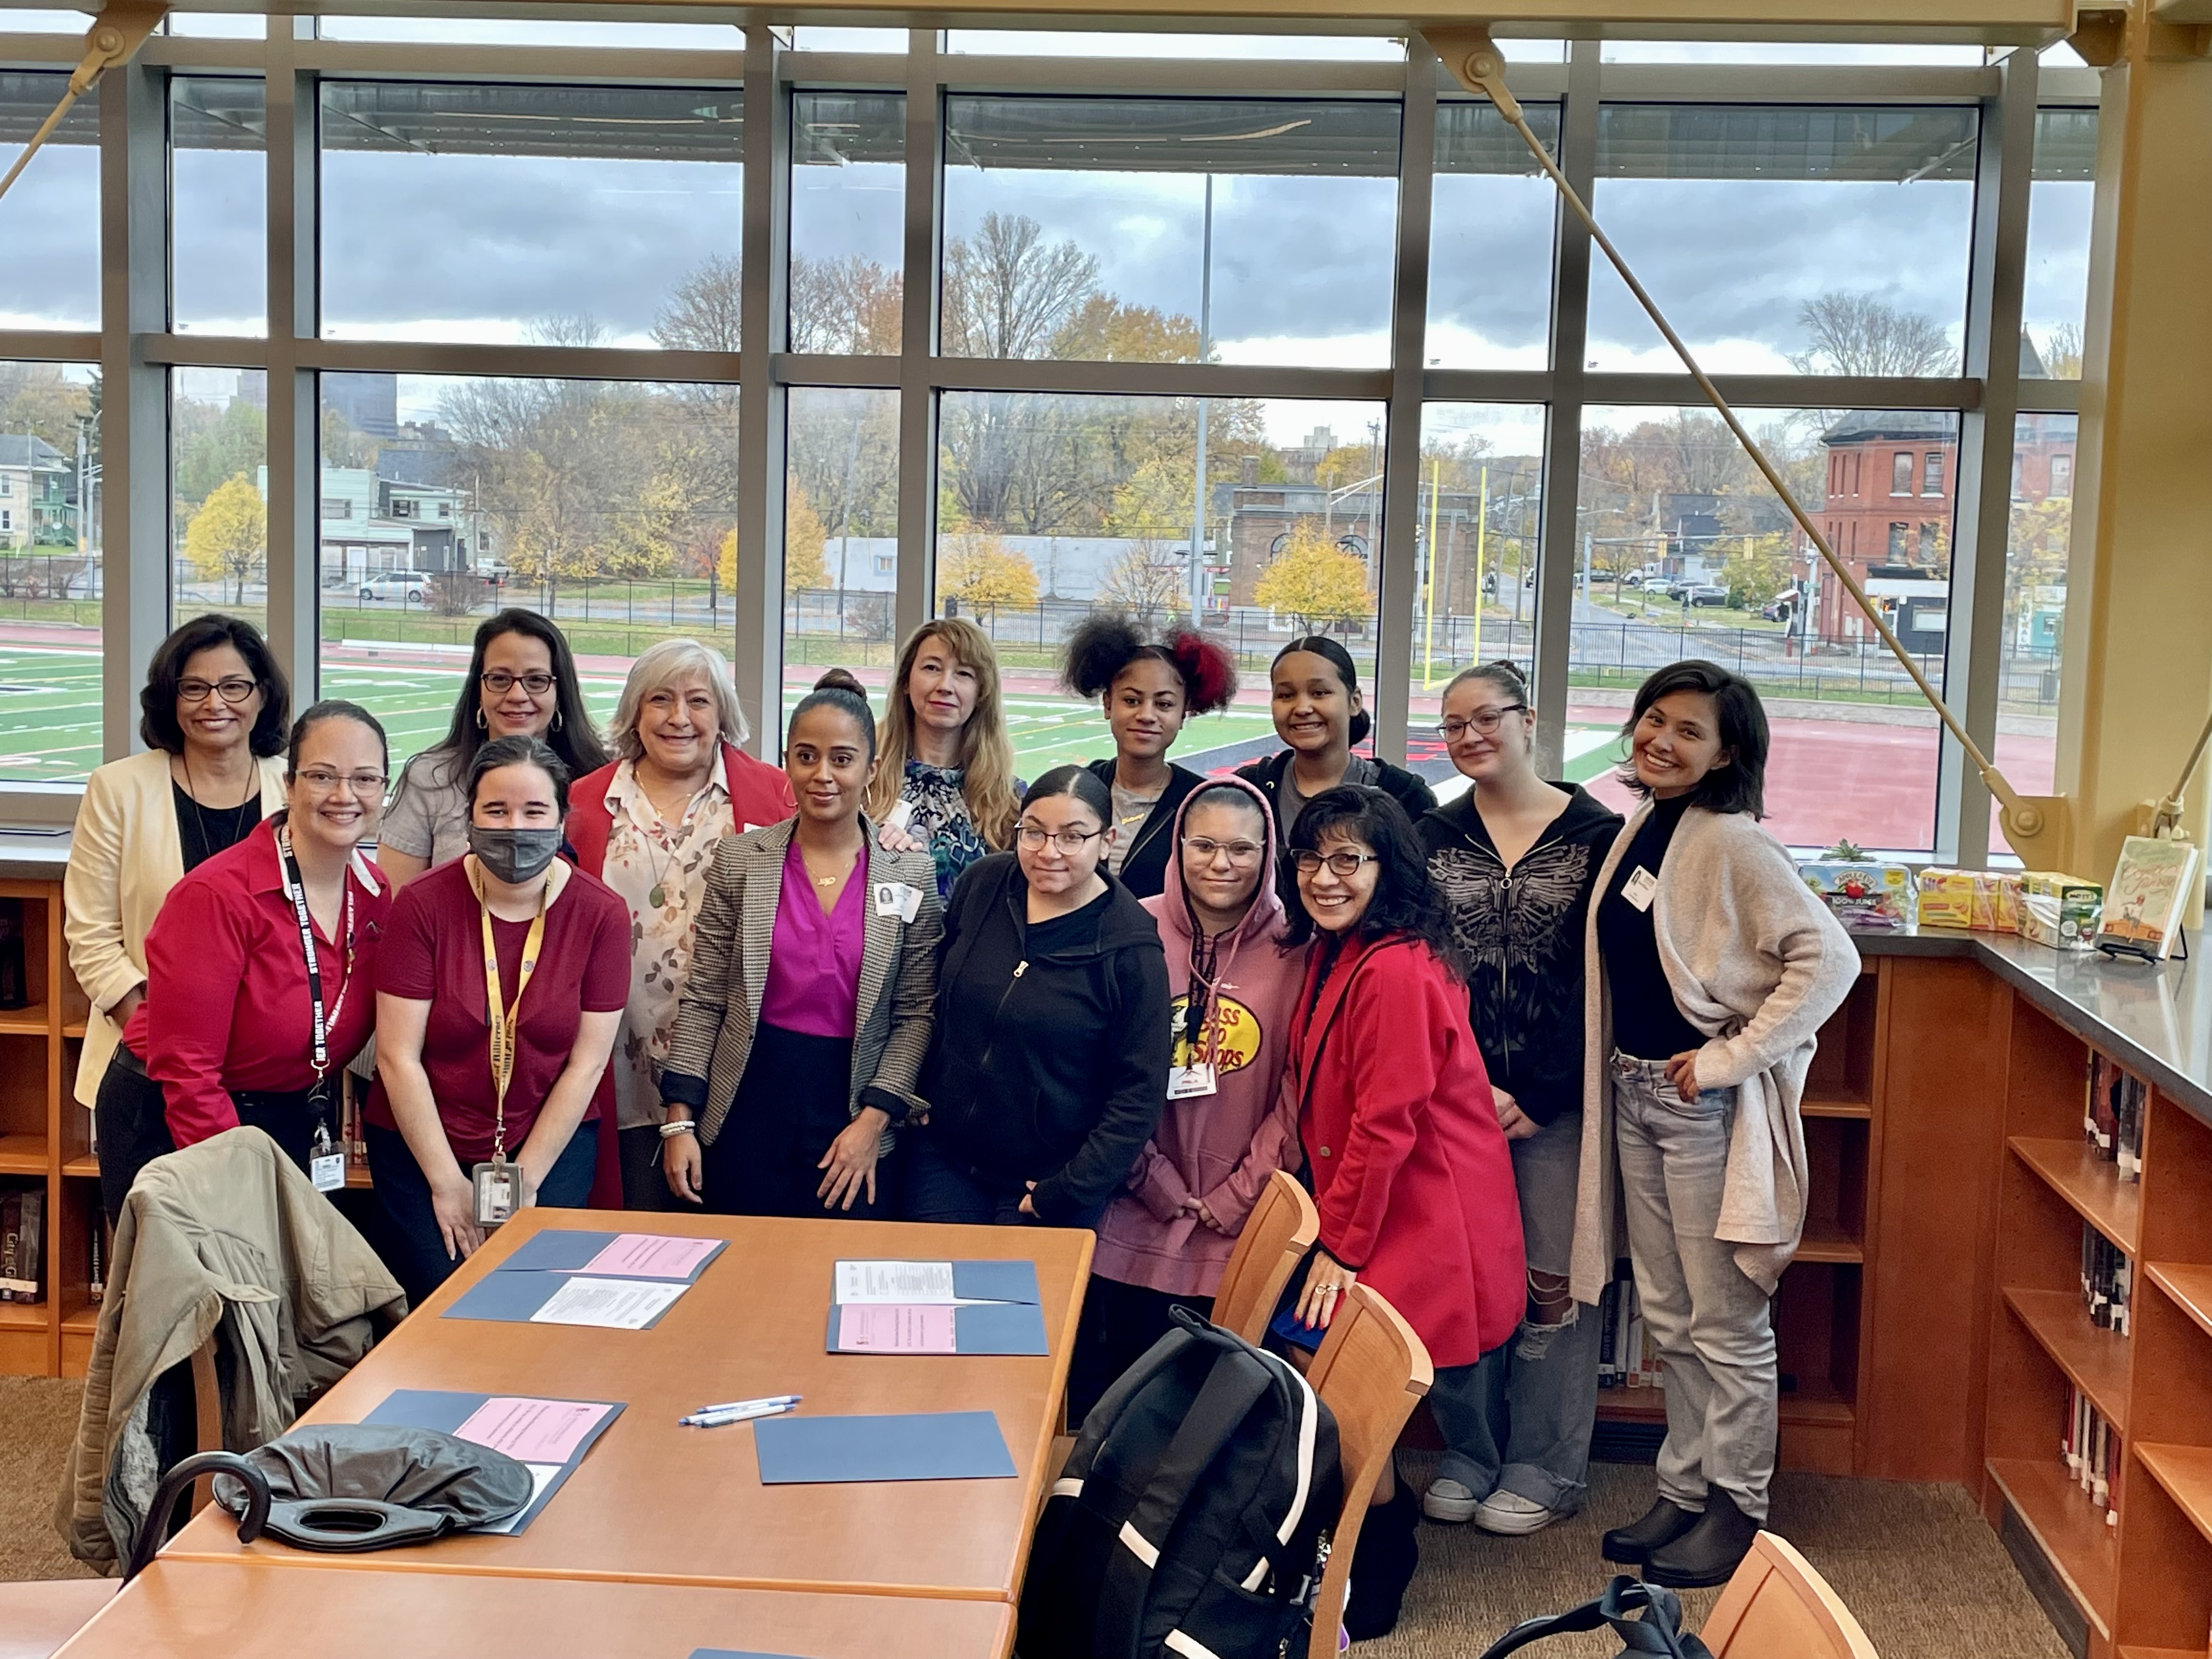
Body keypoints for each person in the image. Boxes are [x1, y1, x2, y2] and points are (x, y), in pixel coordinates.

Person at [1573, 661, 1857, 1588]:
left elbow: (1828, 958)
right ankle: (1683, 1486)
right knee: (1669, 1313)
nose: (1660, 739)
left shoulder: (1733, 841)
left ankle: (1738, 1504)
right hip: (1635, 1094)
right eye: (1652, 719)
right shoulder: (1644, 826)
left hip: (1702, 1109)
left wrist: (1731, 1057)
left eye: (1687, 730)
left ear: (1726, 750)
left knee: (1727, 1317)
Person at [1279, 785, 1525, 1641]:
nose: (1325, 876)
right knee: (1324, 1379)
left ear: (1390, 869)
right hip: (1382, 1204)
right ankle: (1365, 1534)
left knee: (1342, 1391)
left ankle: (1377, 1554)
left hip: (1421, 1215)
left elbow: (1386, 1127)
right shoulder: (1340, 950)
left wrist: (1338, 1250)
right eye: (1312, 858)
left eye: (1349, 859)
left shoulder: (1393, 968)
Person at [1415, 661, 1623, 1536]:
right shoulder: (1432, 835)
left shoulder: (1601, 836)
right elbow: (1420, 971)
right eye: (1452, 725)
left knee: (1551, 1283)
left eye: (1484, 718)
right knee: (1460, 1277)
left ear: (1528, 718)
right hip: (1456, 1103)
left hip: (1558, 1105)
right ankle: (1470, 1449)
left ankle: (1547, 1465)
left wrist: (1538, 1093)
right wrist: (1463, 1085)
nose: (1468, 737)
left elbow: (1609, 980)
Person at [92, 702, 393, 1221]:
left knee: (291, 1295)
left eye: (365, 778)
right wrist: (235, 1182)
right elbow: (187, 1071)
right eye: (322, 776)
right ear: (289, 786)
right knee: (205, 1296)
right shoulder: (215, 896)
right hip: (179, 1117)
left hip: (298, 1112)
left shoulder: (374, 895)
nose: (345, 796)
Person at [656, 670, 940, 1218]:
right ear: (787, 760)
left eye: (842, 758)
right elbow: (705, 998)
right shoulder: (742, 861)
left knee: (838, 1283)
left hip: (854, 1110)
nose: (823, 775)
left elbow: (915, 1016)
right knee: (740, 1274)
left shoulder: (911, 874)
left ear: (872, 768)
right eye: (806, 756)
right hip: (746, 1104)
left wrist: (874, 1120)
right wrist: (680, 1119)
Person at [368, 735, 630, 1305]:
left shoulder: (600, 914)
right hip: (423, 1145)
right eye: (496, 810)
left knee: (529, 1300)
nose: (516, 827)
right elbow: (397, 1056)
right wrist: (445, 1182)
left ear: (563, 821)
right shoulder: (422, 905)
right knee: (443, 1299)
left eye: (535, 812)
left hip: (546, 1144)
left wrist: (526, 1181)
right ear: (469, 819)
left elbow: (587, 1064)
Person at [1073, 777, 1304, 1421]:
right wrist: (1152, 1179)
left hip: (1241, 1221)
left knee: (1210, 1420)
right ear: (1177, 847)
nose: (1222, 864)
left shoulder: (1298, 947)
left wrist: (1240, 1193)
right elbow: (1096, 1067)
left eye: (1242, 849)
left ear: (1269, 853)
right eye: (1204, 845)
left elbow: (1299, 1090)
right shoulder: (1127, 925)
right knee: (1114, 1409)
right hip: (1131, 1211)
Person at [565, 639, 798, 1209]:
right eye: (660, 700)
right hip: (617, 1066)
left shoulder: (776, 796)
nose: (678, 718)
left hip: (736, 1066)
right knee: (634, 1235)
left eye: (698, 701)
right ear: (635, 712)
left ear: (722, 714)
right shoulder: (582, 804)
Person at [906, 765, 1171, 1228]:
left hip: (1046, 1182)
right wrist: (919, 1094)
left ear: (1106, 841)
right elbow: (934, 996)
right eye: (1033, 833)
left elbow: (1139, 1091)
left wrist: (1070, 1189)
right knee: (935, 1293)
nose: (1049, 852)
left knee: (1025, 1302)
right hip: (945, 1157)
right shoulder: (984, 884)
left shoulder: (1132, 948)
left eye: (1072, 837)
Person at [65, 616, 291, 1132]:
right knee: (152, 1214)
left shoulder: (296, 789)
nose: (215, 704)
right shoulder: (118, 789)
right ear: (170, 698)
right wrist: (160, 1042)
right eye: (194, 688)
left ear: (262, 696)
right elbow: (92, 935)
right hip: (146, 1069)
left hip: (273, 1080)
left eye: (234, 686)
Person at [376, 608, 611, 887]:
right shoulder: (430, 778)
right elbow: (396, 907)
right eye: (500, 679)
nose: (517, 696)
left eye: (536, 680)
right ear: (479, 688)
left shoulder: (601, 783)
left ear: (560, 693)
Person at [1060, 613, 1240, 901]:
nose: (1146, 715)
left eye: (1164, 704)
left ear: (1184, 713)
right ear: (1108, 703)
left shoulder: (1202, 802)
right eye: (1131, 700)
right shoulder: (1075, 789)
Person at [865, 617, 1022, 901]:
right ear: (905, 681)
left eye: (964, 673)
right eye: (932, 668)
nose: (945, 685)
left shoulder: (1010, 801)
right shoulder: (861, 780)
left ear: (981, 692)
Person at [1235, 636, 1435, 853]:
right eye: (1286, 695)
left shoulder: (1406, 796)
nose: (1302, 708)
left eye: (1319, 693)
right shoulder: (1245, 791)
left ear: (1355, 702)